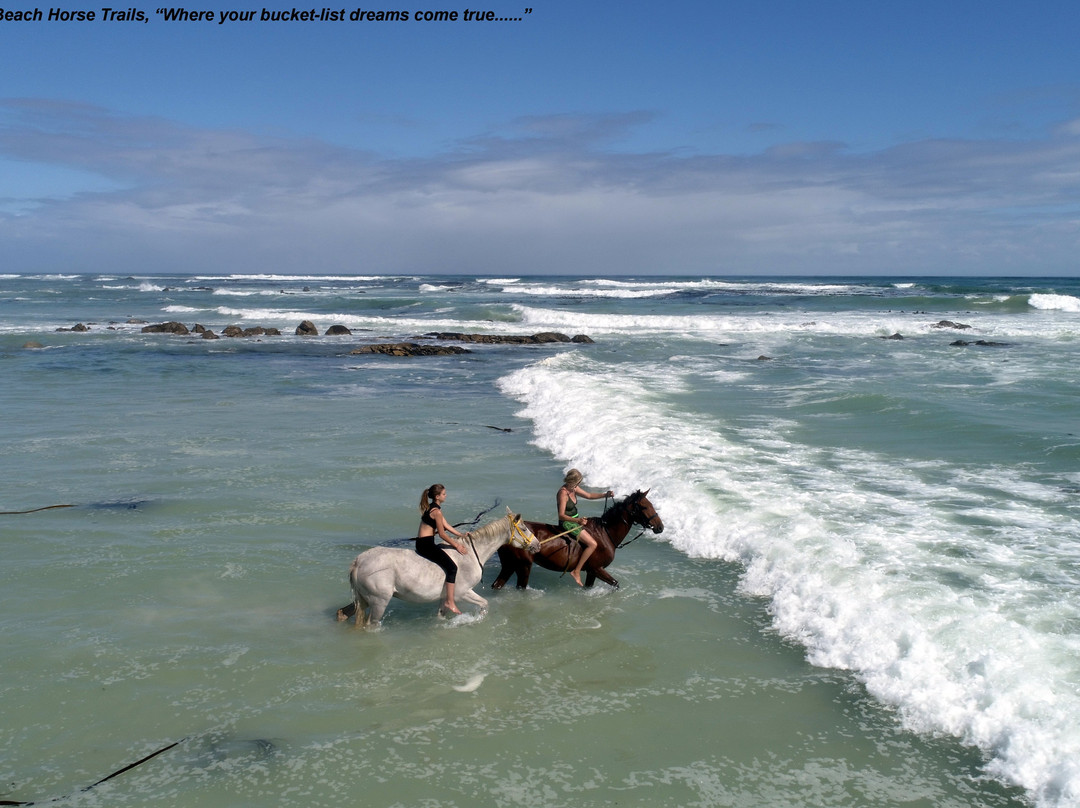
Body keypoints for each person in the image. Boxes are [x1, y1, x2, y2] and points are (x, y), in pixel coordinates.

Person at [416, 483, 470, 615]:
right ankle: (450, 601)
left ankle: (449, 600)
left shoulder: (433, 508)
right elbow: (442, 534)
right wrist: (456, 545)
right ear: (437, 496)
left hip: (422, 542)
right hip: (426, 545)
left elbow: (446, 525)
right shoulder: (437, 512)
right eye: (444, 494)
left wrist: (461, 535)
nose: (446, 496)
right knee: (452, 568)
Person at [557, 468, 613, 587]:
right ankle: (576, 571)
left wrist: (605, 495)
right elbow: (561, 516)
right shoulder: (563, 493)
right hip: (568, 523)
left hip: (577, 520)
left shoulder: (573, 488)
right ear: (572, 481)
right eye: (578, 482)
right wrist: (577, 520)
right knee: (593, 544)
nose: (579, 485)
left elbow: (589, 495)